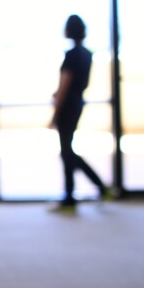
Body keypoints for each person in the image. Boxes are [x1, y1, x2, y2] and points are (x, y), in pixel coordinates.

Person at [49, 15, 109, 210]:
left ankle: (83, 190)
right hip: (77, 104)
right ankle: (79, 191)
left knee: (66, 151)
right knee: (67, 151)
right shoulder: (86, 54)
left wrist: (55, 113)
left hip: (67, 106)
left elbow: (64, 86)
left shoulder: (72, 55)